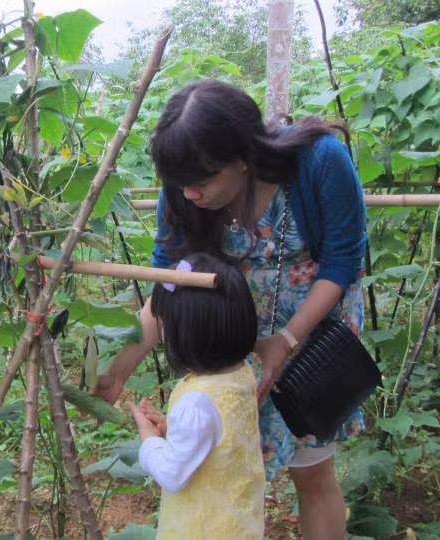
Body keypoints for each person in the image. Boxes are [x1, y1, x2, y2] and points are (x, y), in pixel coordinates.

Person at [96, 80, 367, 540]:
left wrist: (286, 340)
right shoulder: (184, 188)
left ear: (243, 155)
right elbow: (169, 282)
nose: (190, 195)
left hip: (310, 333)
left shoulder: (320, 162)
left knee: (313, 473)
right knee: (225, 467)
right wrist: (118, 370)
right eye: (181, 184)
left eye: (202, 182)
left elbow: (342, 262)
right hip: (227, 347)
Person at [123, 252, 264, 539]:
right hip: (239, 524)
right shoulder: (240, 374)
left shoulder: (197, 401)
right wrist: (173, 429)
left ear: (185, 333)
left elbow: (172, 474)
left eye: (164, 324)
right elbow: (221, 437)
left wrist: (149, 440)